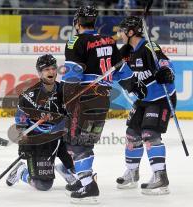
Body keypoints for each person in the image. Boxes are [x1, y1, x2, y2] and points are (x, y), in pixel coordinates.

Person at [60, 6, 146, 204]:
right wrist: (134, 86)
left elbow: (73, 75)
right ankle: (84, 181)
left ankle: (88, 185)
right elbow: (122, 71)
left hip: (84, 99)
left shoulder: (76, 41)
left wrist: (65, 100)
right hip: (103, 99)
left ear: (77, 23)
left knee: (75, 143)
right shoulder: (108, 40)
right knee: (86, 141)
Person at [116, 16, 176, 195]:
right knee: (131, 134)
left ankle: (160, 177)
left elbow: (166, 63)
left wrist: (167, 72)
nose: (120, 34)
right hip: (144, 99)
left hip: (161, 98)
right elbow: (120, 73)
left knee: (149, 134)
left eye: (122, 31)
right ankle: (132, 172)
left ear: (131, 32)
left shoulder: (149, 47)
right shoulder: (126, 51)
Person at [6, 54, 75, 191]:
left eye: (53, 68)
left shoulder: (64, 91)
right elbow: (21, 121)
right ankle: (21, 172)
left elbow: (73, 113)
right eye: (46, 69)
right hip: (40, 141)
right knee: (43, 185)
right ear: (39, 72)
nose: (51, 72)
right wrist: (24, 143)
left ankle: (66, 170)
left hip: (61, 137)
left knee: (80, 166)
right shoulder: (29, 95)